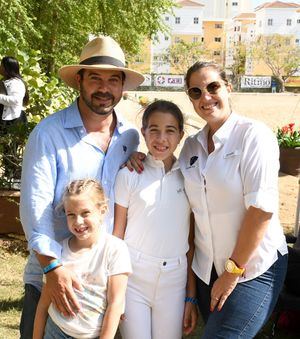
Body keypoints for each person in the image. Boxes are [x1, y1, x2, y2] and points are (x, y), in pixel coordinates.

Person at [128, 62, 288, 338]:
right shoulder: (191, 146)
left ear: (228, 86)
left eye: (213, 87)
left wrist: (231, 272)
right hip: (206, 271)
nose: (206, 97)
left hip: (251, 268)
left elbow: (261, 211)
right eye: (195, 91)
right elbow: (172, 186)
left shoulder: (253, 136)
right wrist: (138, 157)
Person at [19, 35, 144, 339]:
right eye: (95, 78)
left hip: (102, 284)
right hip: (53, 278)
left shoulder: (130, 137)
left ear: (122, 86)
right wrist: (53, 270)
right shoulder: (48, 135)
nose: (104, 88)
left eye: (113, 79)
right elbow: (35, 210)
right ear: (79, 80)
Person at [113, 100, 198, 339]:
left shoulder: (189, 177)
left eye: (170, 130)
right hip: (133, 278)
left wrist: (190, 296)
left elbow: (190, 243)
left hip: (174, 280)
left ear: (181, 135)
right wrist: (114, 287)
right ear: (143, 132)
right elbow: (117, 236)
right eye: (154, 130)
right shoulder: (130, 174)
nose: (161, 138)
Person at [33, 179, 132, 339]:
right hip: (56, 331)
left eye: (85, 213)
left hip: (93, 335)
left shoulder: (115, 249)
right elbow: (44, 304)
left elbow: (116, 304)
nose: (78, 221)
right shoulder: (57, 250)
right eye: (71, 215)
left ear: (102, 210)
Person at [0, 56, 29, 126]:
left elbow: (15, 100)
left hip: (11, 121)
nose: (0, 67)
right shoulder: (5, 81)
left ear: (7, 68)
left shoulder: (16, 83)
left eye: (2, 65)